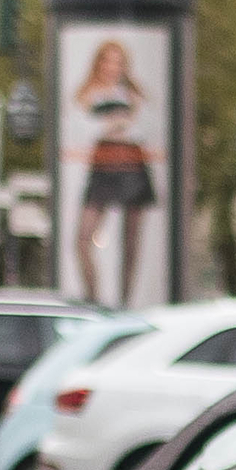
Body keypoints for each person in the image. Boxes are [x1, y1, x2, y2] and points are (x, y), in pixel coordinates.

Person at [74, 41, 154, 307]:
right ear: (98, 64)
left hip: (131, 162)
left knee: (131, 240)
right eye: (107, 61)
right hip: (103, 164)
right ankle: (94, 299)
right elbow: (81, 129)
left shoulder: (134, 94)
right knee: (83, 238)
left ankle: (126, 302)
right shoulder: (86, 95)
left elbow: (145, 128)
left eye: (118, 62)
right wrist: (109, 126)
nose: (112, 68)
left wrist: (124, 123)